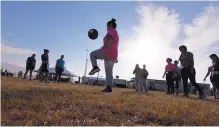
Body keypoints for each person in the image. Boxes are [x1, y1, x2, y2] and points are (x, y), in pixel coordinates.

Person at [88, 18, 119, 92]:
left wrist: (106, 45)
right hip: (113, 54)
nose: (106, 28)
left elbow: (109, 38)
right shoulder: (116, 32)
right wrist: (115, 58)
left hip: (107, 51)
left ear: (110, 25)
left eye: (107, 26)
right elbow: (115, 45)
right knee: (109, 72)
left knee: (92, 54)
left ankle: (95, 67)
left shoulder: (111, 30)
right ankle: (109, 87)